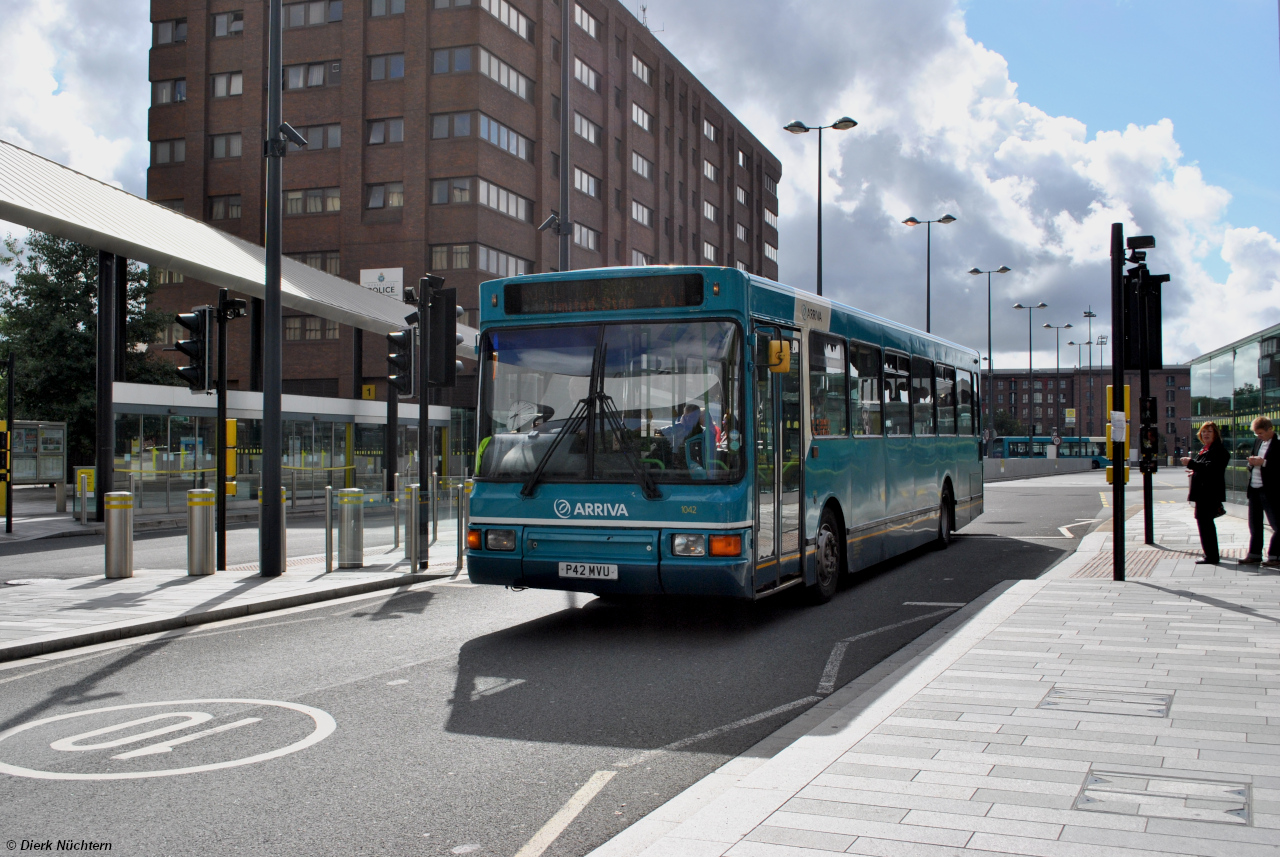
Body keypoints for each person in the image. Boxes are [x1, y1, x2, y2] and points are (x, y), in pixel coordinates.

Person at [1181, 421, 1228, 565]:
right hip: (1203, 493)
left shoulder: (1218, 450)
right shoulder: (1206, 449)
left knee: (1206, 524)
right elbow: (1204, 468)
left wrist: (1190, 463)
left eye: (1209, 431)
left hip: (1209, 494)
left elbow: (1211, 469)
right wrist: (1194, 471)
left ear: (1216, 434)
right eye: (1203, 431)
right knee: (1203, 523)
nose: (1205, 434)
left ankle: (1211, 556)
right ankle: (1209, 554)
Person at [1242, 416, 1280, 566]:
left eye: (1261, 433)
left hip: (1270, 490)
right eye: (1256, 434)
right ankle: (1254, 554)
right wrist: (1251, 463)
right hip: (1255, 489)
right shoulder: (1258, 442)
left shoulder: (1278, 444)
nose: (1259, 436)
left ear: (1270, 429)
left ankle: (1275, 555)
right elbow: (1252, 463)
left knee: (1277, 525)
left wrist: (1263, 463)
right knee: (1255, 525)